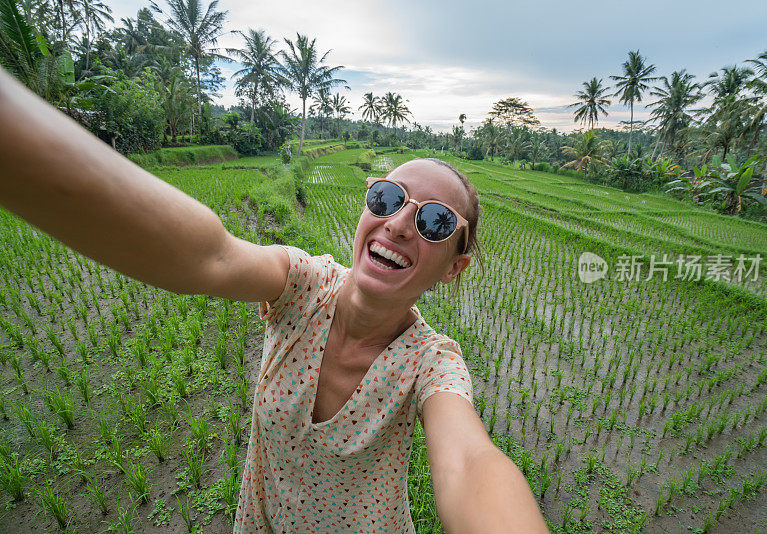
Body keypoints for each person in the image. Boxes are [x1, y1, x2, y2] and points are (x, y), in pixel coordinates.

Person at [0, 67, 548, 533]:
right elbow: (207, 257)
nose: (398, 223)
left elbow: (470, 463)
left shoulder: (432, 362)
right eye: (387, 197)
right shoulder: (303, 285)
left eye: (433, 221)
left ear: (455, 266)